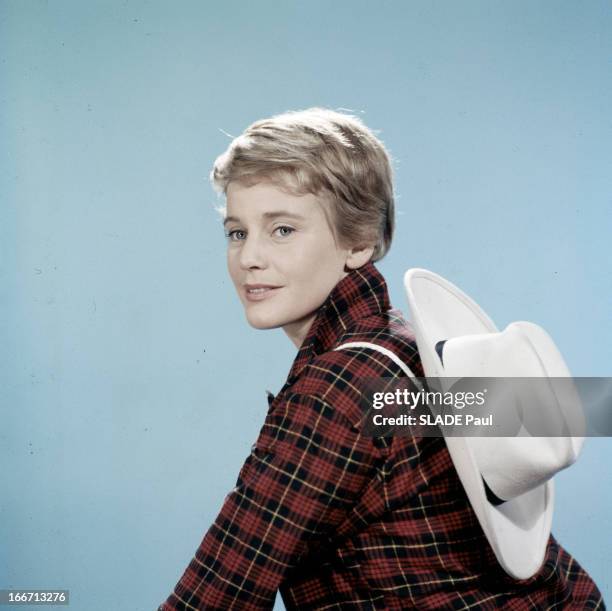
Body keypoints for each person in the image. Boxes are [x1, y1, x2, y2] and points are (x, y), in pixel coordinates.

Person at [158, 108, 604, 610]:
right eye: (237, 232)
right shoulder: (399, 344)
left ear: (360, 242)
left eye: (282, 229)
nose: (249, 258)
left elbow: (216, 596)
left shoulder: (337, 388)